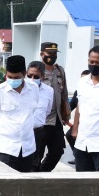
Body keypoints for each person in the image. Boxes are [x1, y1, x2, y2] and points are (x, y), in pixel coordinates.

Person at [0, 55, 42, 172]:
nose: (12, 80)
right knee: (5, 185)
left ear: (24, 73)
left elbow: (33, 111)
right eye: (9, 77)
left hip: (27, 148)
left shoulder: (33, 89)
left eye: (16, 77)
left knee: (24, 185)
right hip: (6, 148)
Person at [32, 42, 71, 172]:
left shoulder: (60, 71)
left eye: (55, 54)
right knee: (37, 153)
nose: (52, 56)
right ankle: (35, 177)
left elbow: (64, 94)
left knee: (57, 151)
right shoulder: (35, 72)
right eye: (50, 54)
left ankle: (43, 172)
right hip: (41, 120)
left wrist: (66, 115)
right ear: (42, 54)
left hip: (56, 119)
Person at [27, 61, 54, 171]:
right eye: (29, 75)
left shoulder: (49, 91)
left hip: (38, 132)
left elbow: (47, 111)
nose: (32, 78)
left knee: (35, 163)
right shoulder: (20, 89)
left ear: (42, 76)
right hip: (23, 131)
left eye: (36, 76)